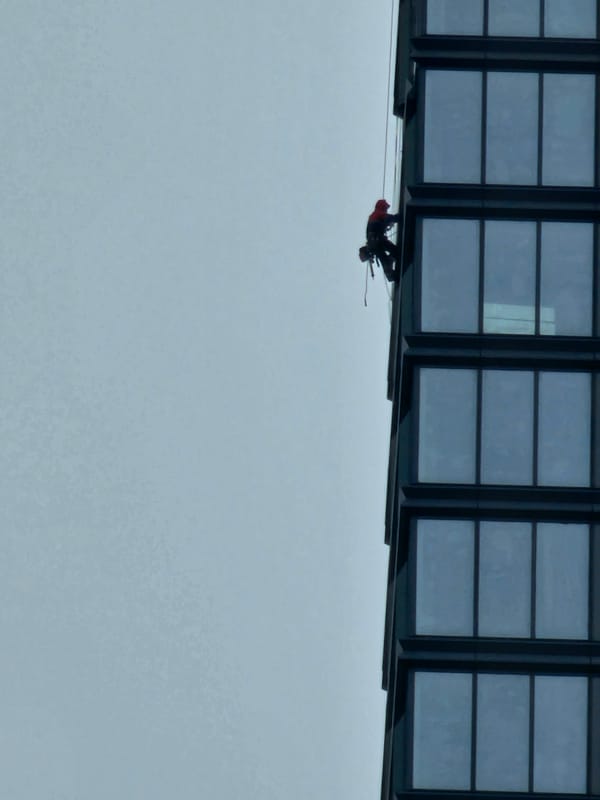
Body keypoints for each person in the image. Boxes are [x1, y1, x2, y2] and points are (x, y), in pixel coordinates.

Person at [363, 199, 401, 279]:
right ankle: (393, 269)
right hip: (378, 240)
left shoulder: (372, 216)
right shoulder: (379, 213)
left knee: (384, 259)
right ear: (382, 207)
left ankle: (391, 275)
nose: (386, 210)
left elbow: (374, 228)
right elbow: (390, 218)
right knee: (395, 251)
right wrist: (401, 216)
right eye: (386, 208)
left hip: (373, 243)